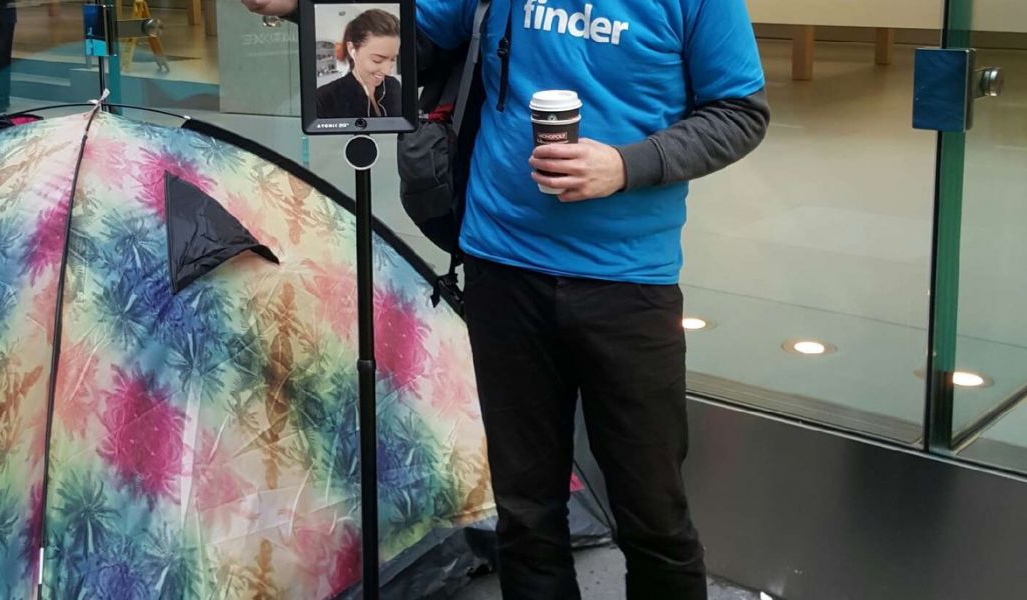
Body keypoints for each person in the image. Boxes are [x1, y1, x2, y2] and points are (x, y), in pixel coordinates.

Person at [244, 0, 769, 598]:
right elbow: (403, 37)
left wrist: (625, 165)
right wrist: (298, 6)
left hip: (629, 281)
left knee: (654, 515)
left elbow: (739, 112)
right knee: (526, 511)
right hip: (502, 265)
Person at [315, 8, 402, 119]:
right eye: (377, 60)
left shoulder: (394, 85)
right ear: (352, 50)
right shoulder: (324, 98)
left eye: (393, 59)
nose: (387, 71)